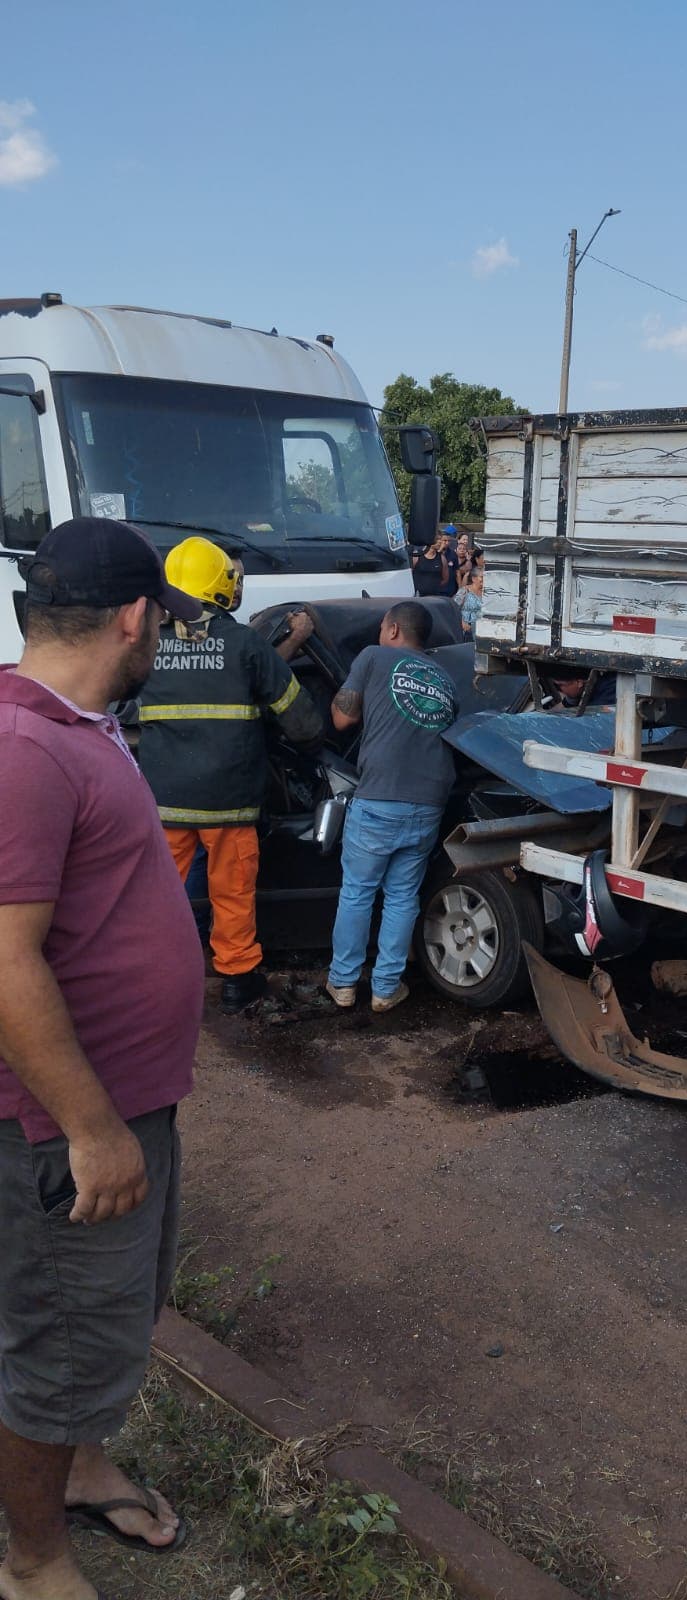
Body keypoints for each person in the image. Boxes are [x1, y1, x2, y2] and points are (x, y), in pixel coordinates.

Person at [0, 517, 206, 1600]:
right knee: (55, 1340)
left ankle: (76, 1466)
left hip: (126, 1104)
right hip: (61, 1130)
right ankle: (33, 1562)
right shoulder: (24, 747)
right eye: (164, 621)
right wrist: (89, 1126)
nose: (165, 637)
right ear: (137, 616)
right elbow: (3, 962)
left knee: (95, 1323)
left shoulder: (74, 719)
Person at [138, 537, 322, 1012]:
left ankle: (149, 978)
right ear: (223, 585)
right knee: (232, 892)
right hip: (229, 802)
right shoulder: (244, 645)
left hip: (164, 802)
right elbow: (301, 721)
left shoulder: (146, 644)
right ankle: (238, 978)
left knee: (157, 892)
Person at [326, 600, 457, 1012]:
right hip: (429, 802)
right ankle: (385, 989)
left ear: (393, 629)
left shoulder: (373, 656)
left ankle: (344, 984)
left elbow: (342, 720)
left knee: (358, 892)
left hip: (380, 796)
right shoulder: (446, 678)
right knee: (402, 897)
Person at [456, 566, 484, 635]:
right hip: (466, 629)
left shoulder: (487, 592)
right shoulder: (464, 591)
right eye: (482, 577)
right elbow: (453, 608)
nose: (485, 579)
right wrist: (462, 623)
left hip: (482, 629)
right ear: (474, 579)